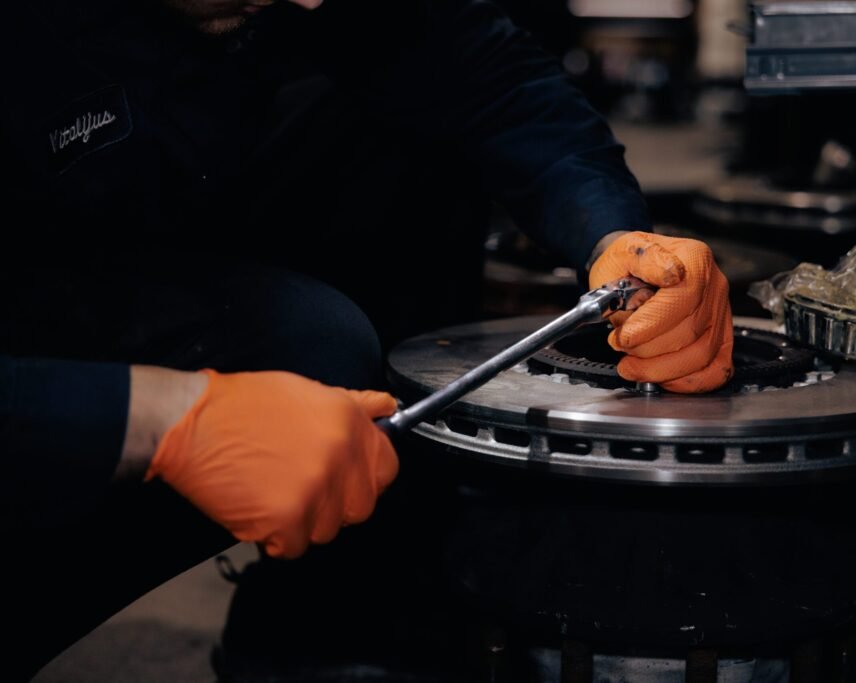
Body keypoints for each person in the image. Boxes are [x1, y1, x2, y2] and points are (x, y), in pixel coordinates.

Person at [0, 0, 732, 679]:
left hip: (116, 242)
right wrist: (151, 418)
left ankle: (347, 611)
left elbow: (490, 75)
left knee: (389, 132)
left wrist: (616, 235)